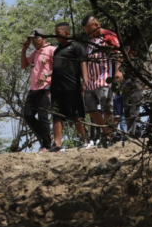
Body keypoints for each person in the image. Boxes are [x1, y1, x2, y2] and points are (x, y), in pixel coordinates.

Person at [48, 22, 89, 152]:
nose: (56, 35)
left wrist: (85, 82)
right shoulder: (57, 50)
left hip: (71, 87)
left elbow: (83, 64)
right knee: (56, 115)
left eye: (58, 33)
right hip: (56, 88)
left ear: (66, 33)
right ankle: (57, 144)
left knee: (76, 115)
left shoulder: (76, 47)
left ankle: (84, 141)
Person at [81, 15, 122, 148]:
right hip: (91, 81)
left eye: (89, 30)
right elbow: (85, 61)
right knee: (91, 108)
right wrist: (85, 81)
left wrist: (117, 71)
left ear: (96, 25)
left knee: (106, 108)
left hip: (104, 78)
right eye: (86, 31)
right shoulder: (90, 42)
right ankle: (107, 133)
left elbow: (118, 53)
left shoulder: (108, 36)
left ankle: (109, 136)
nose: (89, 33)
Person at [20, 28, 55, 151]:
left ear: (42, 38)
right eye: (32, 40)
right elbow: (24, 65)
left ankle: (46, 145)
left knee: (42, 116)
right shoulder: (35, 52)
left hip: (46, 88)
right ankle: (47, 138)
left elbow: (59, 67)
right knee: (27, 115)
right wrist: (24, 49)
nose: (33, 42)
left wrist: (46, 74)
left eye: (35, 39)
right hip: (34, 89)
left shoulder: (51, 50)